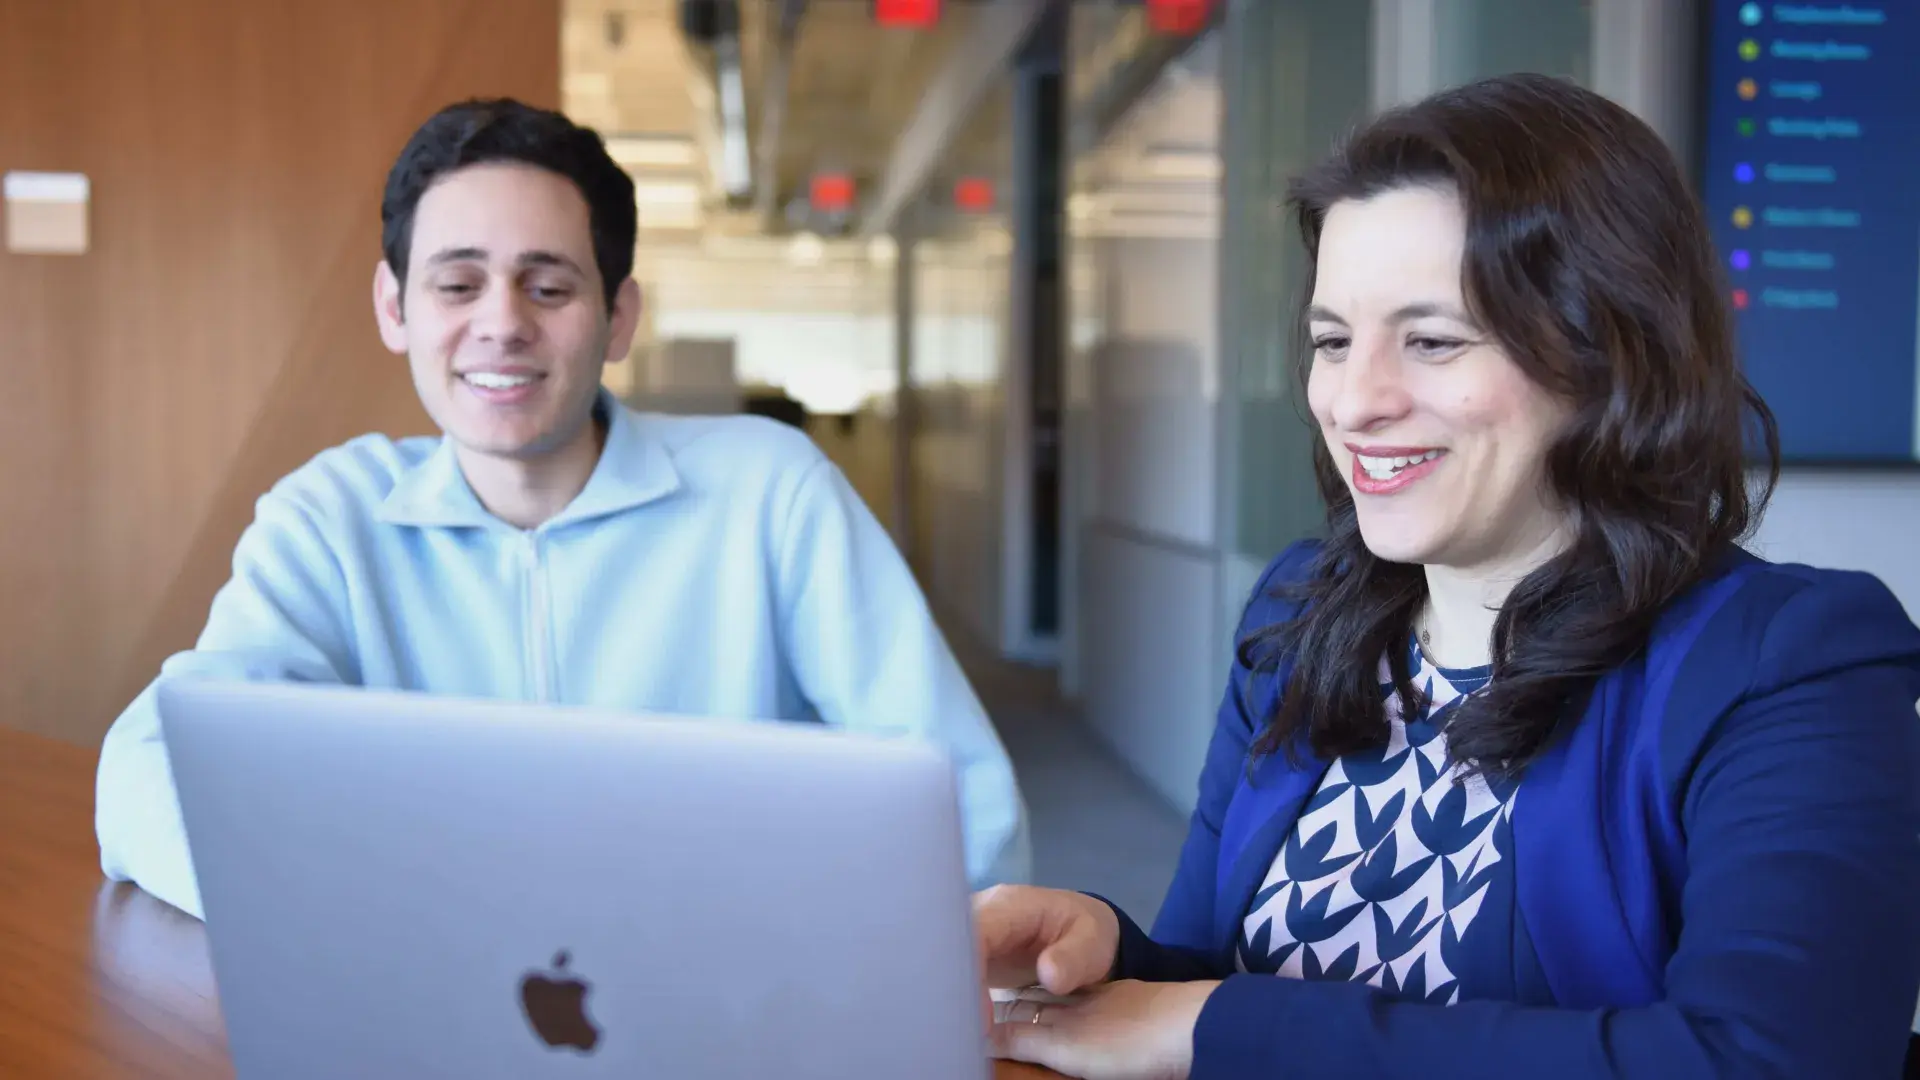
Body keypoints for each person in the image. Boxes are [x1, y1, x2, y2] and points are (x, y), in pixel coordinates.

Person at [974, 72, 1920, 1079]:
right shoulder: (1304, 613)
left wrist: (1212, 1027)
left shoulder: (1791, 663)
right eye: (1332, 342)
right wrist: (1111, 952)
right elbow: (1222, 977)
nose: (1355, 400)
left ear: (1609, 356)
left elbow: (1769, 1060)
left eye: (1431, 340)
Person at [94, 98, 1029, 920]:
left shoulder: (770, 493)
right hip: (430, 1010)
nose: (501, 322)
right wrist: (361, 905)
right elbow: (148, 767)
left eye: (549, 286)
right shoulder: (330, 518)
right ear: (395, 308)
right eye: (457, 284)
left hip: (732, 1005)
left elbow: (959, 803)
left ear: (619, 318)